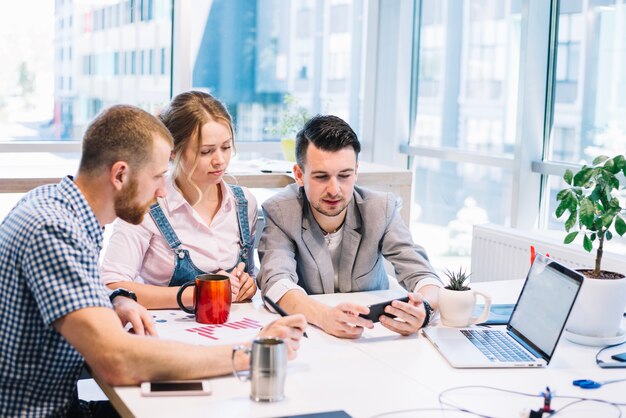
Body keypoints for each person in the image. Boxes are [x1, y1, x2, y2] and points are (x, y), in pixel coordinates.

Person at [0, 105, 306, 417]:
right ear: (120, 174)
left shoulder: (57, 205)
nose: (162, 192)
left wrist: (115, 299)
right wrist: (247, 354)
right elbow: (119, 361)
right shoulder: (55, 230)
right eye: (158, 176)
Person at [257, 114, 441, 339]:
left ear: (356, 171)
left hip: (375, 335)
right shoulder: (280, 211)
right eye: (321, 177)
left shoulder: (380, 208)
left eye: (344, 175)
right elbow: (276, 283)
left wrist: (425, 310)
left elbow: (423, 274)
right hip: (313, 336)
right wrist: (324, 317)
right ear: (299, 175)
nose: (334, 190)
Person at [100, 91, 257, 309]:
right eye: (206, 151)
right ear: (172, 151)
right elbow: (110, 285)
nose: (220, 160)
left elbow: (250, 274)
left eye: (226, 147)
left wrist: (250, 284)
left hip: (233, 328)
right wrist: (194, 295)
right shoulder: (146, 206)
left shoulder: (244, 203)